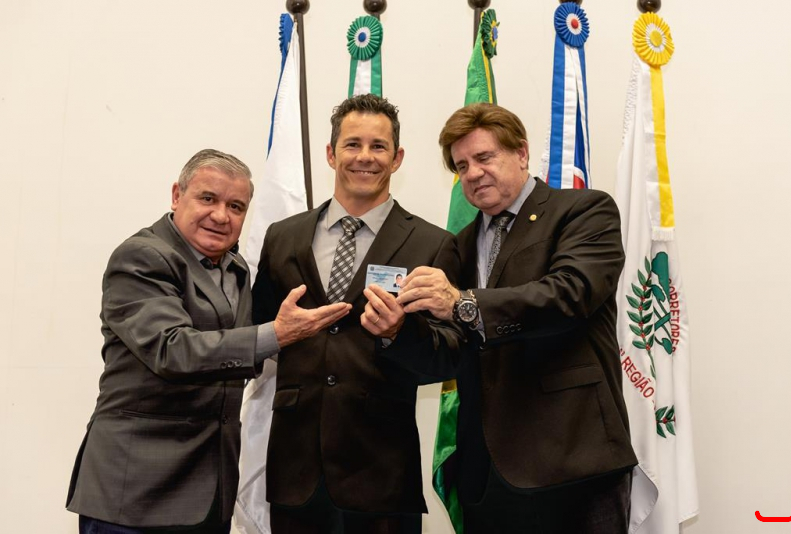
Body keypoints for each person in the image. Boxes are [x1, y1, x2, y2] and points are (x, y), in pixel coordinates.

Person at [66, 149, 350, 533]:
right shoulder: (141, 257)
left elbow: (236, 358)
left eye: (235, 206)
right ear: (176, 195)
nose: (220, 215)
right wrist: (277, 334)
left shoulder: (235, 268)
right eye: (208, 198)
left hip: (209, 494)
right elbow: (173, 350)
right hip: (135, 495)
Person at [395, 103, 638, 533]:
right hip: (487, 473)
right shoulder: (458, 246)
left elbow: (569, 295)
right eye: (461, 166)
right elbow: (449, 352)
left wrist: (464, 303)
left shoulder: (584, 211)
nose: (473, 174)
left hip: (574, 461)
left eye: (484, 157)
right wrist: (397, 331)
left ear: (521, 153)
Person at [251, 94, 462, 534]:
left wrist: (399, 332)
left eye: (378, 146)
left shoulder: (433, 244)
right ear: (331, 154)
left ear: (397, 158)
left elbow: (450, 356)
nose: (365, 156)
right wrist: (275, 332)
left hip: (382, 474)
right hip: (295, 474)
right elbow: (255, 336)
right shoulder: (282, 237)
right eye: (352, 144)